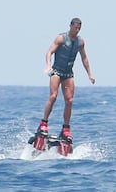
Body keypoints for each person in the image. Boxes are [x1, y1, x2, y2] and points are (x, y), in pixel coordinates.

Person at [36, 17, 95, 146]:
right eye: (75, 27)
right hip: (56, 71)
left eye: (79, 28)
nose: (77, 30)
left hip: (68, 73)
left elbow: (84, 58)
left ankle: (66, 129)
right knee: (53, 96)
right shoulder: (61, 38)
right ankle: (43, 123)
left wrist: (90, 74)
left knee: (69, 101)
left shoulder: (80, 42)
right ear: (70, 26)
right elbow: (49, 52)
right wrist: (48, 65)